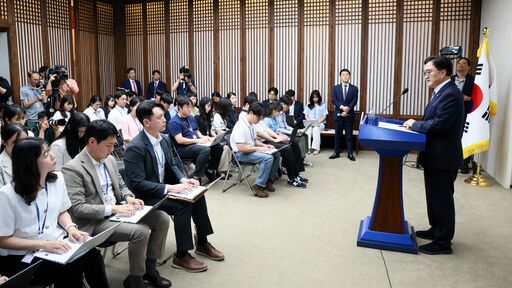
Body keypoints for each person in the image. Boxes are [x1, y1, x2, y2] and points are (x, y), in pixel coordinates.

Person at [62, 120, 172, 288]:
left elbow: (121, 185)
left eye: (113, 145)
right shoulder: (73, 168)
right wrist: (113, 208)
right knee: (140, 231)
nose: (112, 150)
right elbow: (77, 208)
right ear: (92, 142)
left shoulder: (109, 160)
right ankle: (135, 280)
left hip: (118, 212)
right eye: (108, 145)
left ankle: (150, 270)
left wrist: (129, 198)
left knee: (162, 218)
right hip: (95, 222)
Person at [124, 100, 224, 273]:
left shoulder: (163, 139)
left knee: (197, 195)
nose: (165, 120)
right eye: (160, 117)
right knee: (182, 206)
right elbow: (138, 183)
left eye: (164, 115)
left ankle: (202, 242)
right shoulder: (135, 147)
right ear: (146, 122)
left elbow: (175, 163)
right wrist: (169, 188)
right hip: (146, 195)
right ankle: (182, 255)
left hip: (165, 187)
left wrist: (183, 180)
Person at [0, 137, 109, 288]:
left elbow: (61, 211)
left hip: (54, 243)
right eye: (45, 155)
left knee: (91, 255)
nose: (52, 156)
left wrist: (71, 228)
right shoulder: (7, 194)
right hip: (22, 254)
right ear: (30, 163)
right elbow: (3, 240)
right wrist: (43, 244)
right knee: (72, 265)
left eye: (49, 150)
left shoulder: (57, 179)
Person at [403, 56, 464, 255]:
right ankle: (436, 229)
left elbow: (440, 124)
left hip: (443, 157)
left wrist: (414, 124)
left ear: (443, 72)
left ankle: (443, 241)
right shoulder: (440, 92)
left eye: (429, 72)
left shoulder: (450, 93)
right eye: (425, 72)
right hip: (434, 155)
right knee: (433, 196)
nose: (426, 76)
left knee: (442, 199)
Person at [230, 102, 279, 198]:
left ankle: (268, 180)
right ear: (251, 113)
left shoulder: (251, 124)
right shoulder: (240, 126)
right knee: (267, 158)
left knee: (275, 154)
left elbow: (254, 140)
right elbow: (241, 148)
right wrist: (260, 148)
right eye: (259, 118)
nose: (259, 120)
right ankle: (258, 185)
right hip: (240, 154)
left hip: (249, 150)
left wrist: (265, 147)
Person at [168, 96, 219, 184]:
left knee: (217, 146)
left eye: (191, 107)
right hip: (182, 148)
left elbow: (197, 132)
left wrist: (207, 138)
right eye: (187, 107)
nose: (190, 109)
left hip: (194, 144)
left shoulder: (191, 117)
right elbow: (180, 140)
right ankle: (196, 177)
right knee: (205, 150)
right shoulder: (174, 122)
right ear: (179, 107)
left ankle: (209, 170)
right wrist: (198, 141)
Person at [262, 102, 308, 188]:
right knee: (287, 149)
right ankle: (291, 179)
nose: (280, 113)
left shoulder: (274, 119)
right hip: (268, 141)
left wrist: (281, 136)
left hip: (275, 139)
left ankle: (296, 173)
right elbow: (265, 135)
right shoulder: (266, 120)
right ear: (273, 111)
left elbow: (276, 131)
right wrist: (277, 138)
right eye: (279, 111)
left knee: (294, 144)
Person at [451, 57, 475, 174]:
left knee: (464, 137)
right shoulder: (449, 79)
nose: (460, 65)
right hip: (450, 112)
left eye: (464, 63)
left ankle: (464, 163)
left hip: (466, 112)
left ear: (469, 67)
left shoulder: (473, 81)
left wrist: (468, 98)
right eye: (459, 63)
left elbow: (478, 98)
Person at [330, 68, 358, 161]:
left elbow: (354, 101)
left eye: (347, 74)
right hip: (338, 114)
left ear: (349, 76)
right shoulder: (335, 88)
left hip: (349, 115)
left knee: (349, 135)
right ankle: (336, 152)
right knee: (337, 135)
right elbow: (334, 100)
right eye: (343, 74)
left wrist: (346, 110)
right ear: (340, 77)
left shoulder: (354, 88)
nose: (345, 76)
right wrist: (342, 107)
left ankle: (350, 153)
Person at [20, 70, 47, 135]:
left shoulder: (40, 87)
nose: (36, 81)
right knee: (33, 137)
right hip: (31, 119)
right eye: (34, 79)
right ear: (29, 78)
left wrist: (43, 88)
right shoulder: (24, 89)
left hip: (42, 118)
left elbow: (45, 100)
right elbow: (25, 105)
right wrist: (36, 98)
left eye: (38, 79)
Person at [304, 90, 328, 155]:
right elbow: (306, 115)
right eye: (313, 97)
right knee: (308, 130)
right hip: (310, 123)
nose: (315, 99)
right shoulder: (308, 105)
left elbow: (324, 116)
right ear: (311, 98)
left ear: (319, 97)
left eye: (316, 97)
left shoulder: (323, 105)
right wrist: (309, 121)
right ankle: (308, 148)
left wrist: (318, 122)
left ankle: (316, 148)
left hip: (320, 124)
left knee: (316, 129)